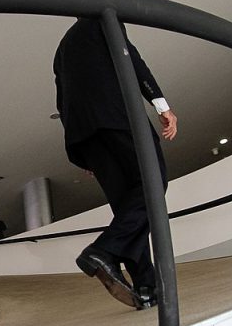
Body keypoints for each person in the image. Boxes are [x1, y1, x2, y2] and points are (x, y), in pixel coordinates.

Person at [53, 17, 178, 309]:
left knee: (128, 208)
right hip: (119, 118)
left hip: (86, 134)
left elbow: (62, 100)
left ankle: (146, 287)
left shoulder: (62, 49)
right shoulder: (103, 19)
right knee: (153, 184)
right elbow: (131, 59)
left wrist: (83, 151)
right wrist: (161, 105)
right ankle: (103, 250)